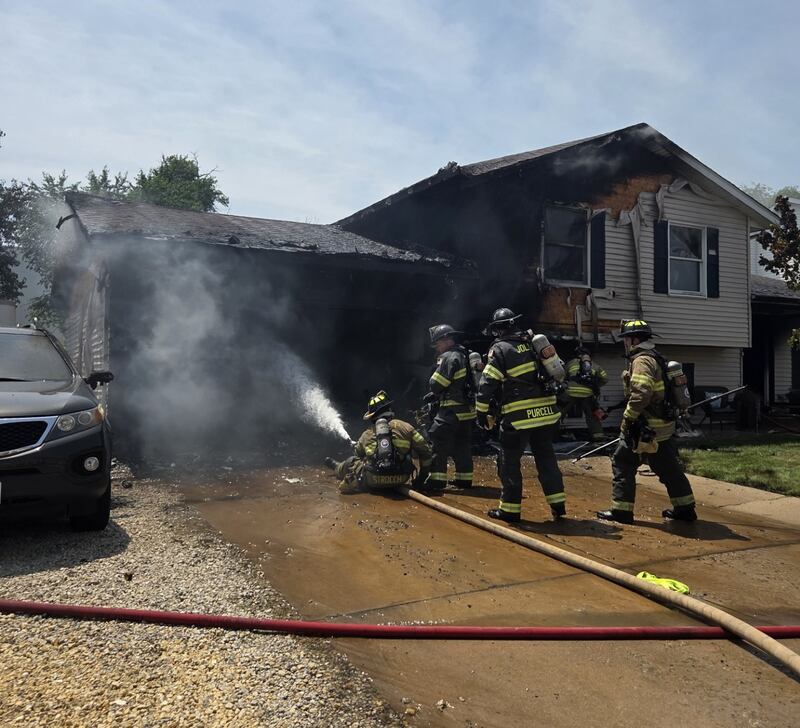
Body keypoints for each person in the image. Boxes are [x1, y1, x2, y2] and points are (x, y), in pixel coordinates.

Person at [597, 319, 697, 524]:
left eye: (626, 339)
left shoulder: (641, 360)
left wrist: (628, 418)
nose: (624, 343)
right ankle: (685, 509)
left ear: (633, 340)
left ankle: (621, 511)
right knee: (669, 468)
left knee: (622, 462)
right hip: (664, 427)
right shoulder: (657, 357)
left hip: (645, 428)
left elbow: (641, 393)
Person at [476, 308, 566, 522]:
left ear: (498, 329)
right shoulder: (535, 343)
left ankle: (510, 509)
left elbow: (487, 384)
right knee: (547, 460)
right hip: (546, 415)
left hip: (518, 417)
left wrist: (481, 412)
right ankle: (558, 505)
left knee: (509, 461)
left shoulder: (500, 348)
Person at [325, 390, 433, 494]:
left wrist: (360, 446)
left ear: (372, 416)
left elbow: (358, 456)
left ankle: (337, 468)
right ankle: (337, 467)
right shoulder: (406, 427)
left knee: (351, 462)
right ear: (389, 409)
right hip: (401, 478)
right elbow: (426, 452)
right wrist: (421, 479)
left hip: (373, 481)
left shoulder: (366, 434)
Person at [425, 324, 476, 491]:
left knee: (437, 439)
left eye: (437, 344)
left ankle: (437, 480)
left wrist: (433, 387)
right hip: (466, 411)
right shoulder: (465, 354)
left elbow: (437, 383)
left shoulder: (448, 356)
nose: (437, 348)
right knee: (462, 444)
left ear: (446, 340)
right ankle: (464, 479)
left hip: (451, 409)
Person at [565, 345, 608, 442]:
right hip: (588, 395)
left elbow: (562, 376)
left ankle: (551, 435)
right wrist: (596, 385)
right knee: (592, 416)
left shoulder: (570, 364)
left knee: (560, 413)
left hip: (570, 393)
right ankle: (598, 437)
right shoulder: (595, 365)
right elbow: (605, 379)